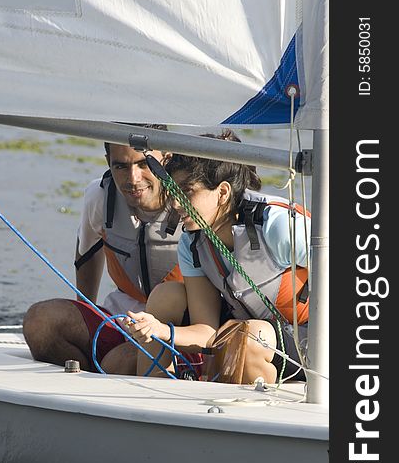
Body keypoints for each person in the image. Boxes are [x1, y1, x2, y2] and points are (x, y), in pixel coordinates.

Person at [124, 129, 311, 384]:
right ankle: (150, 398)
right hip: (248, 329)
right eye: (173, 191)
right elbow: (207, 332)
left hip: (311, 341)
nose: (177, 204)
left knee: (248, 335)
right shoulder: (192, 243)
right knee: (165, 297)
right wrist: (159, 330)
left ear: (222, 193)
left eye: (187, 191)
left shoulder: (278, 227)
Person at [22, 125, 183, 373]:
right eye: (121, 166)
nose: (133, 179)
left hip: (176, 333)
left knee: (119, 362)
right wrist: (83, 318)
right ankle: (80, 387)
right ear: (108, 161)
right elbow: (87, 254)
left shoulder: (195, 202)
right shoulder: (99, 197)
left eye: (143, 164)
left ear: (167, 158)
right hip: (123, 320)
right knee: (39, 322)